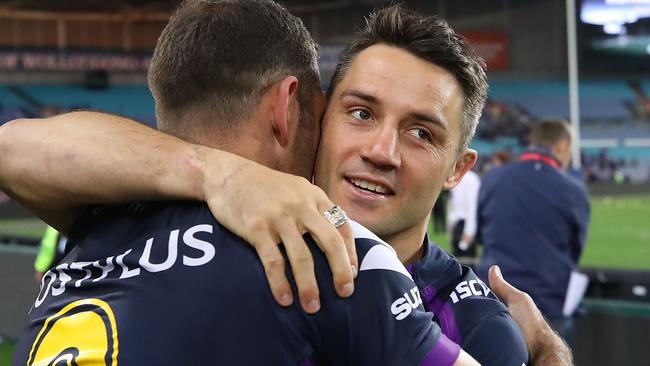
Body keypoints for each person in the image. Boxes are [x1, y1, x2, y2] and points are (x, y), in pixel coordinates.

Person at [0, 3, 573, 365]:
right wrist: (224, 173)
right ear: (308, 115)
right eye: (360, 113)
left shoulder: (473, 322)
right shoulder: (138, 209)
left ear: (458, 168)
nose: (380, 151)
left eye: (421, 132)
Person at [477, 118, 590, 341]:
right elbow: (575, 250)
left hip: (494, 299)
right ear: (561, 147)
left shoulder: (493, 179)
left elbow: (482, 234)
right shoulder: (573, 190)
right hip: (548, 305)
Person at [446, 169, 480, 258]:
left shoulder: (471, 179)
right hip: (457, 224)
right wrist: (450, 226)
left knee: (468, 262)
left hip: (466, 225)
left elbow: (473, 207)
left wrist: (469, 232)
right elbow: (453, 204)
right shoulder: (454, 177)